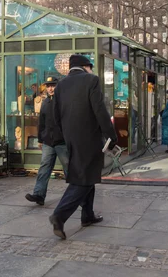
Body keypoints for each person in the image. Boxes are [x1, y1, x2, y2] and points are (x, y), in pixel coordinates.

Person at [49, 54, 117, 240]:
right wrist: (111, 134)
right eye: (91, 67)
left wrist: (65, 135)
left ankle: (87, 215)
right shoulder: (91, 80)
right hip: (89, 138)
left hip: (71, 138)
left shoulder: (61, 85)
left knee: (87, 173)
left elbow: (55, 115)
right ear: (85, 66)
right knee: (84, 179)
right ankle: (59, 215)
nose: (92, 70)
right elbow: (99, 110)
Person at [25, 77, 69, 206]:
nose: (50, 88)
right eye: (48, 86)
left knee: (69, 170)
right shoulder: (45, 102)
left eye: (53, 86)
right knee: (44, 168)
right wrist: (40, 139)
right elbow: (41, 122)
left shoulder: (64, 101)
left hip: (62, 142)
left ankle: (78, 196)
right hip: (48, 142)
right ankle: (39, 195)